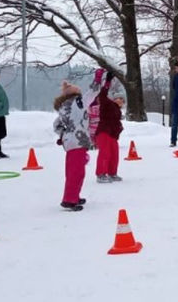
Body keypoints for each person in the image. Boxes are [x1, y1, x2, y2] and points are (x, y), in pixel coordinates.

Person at [53, 75, 100, 211]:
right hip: (78, 141)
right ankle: (69, 199)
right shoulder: (78, 103)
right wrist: (98, 79)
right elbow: (92, 92)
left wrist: (63, 135)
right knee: (77, 172)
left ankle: (74, 195)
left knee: (73, 171)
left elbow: (56, 124)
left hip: (70, 142)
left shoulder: (64, 107)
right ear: (76, 94)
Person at [90, 70, 125, 183]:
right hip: (103, 132)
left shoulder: (118, 111)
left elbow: (116, 123)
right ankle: (101, 174)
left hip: (112, 135)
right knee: (104, 153)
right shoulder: (107, 104)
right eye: (118, 98)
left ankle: (112, 173)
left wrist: (119, 129)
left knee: (114, 154)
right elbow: (102, 94)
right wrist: (108, 82)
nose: (120, 101)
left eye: (122, 100)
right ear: (114, 99)